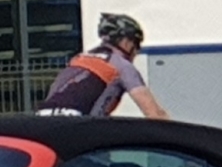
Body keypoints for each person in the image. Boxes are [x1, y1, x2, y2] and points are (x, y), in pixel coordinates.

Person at [39, 13, 170, 119]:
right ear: (125, 42)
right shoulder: (121, 66)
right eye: (136, 43)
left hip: (44, 117)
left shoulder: (79, 59)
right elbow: (154, 113)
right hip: (78, 124)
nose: (137, 50)